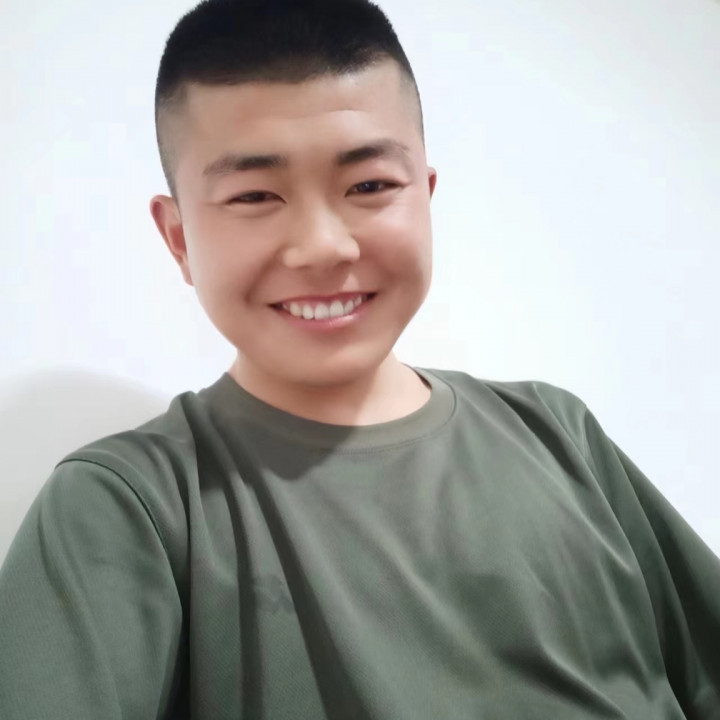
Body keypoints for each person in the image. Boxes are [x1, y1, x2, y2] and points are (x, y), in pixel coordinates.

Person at [0, 0, 718, 717]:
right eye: (255, 195)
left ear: (425, 197)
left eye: (369, 185)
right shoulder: (130, 507)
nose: (323, 247)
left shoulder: (558, 433)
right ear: (179, 239)